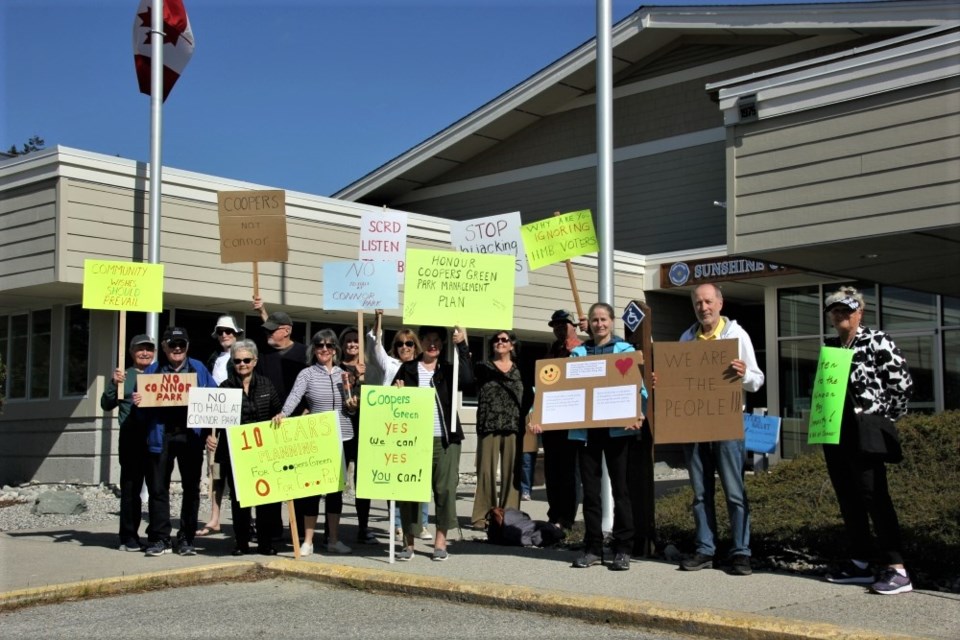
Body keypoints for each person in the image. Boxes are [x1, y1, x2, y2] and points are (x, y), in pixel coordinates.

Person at [821, 286, 914, 595]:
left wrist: (881, 417)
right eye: (835, 311)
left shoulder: (877, 340)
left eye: (846, 310)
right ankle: (860, 561)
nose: (840, 315)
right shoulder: (832, 347)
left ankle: (896, 567)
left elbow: (901, 383)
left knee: (874, 495)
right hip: (836, 429)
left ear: (859, 312)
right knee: (848, 496)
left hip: (866, 429)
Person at [549, 302, 644, 571]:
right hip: (586, 431)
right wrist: (539, 413)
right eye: (595, 320)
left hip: (617, 429)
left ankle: (623, 548)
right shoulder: (578, 354)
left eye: (603, 319)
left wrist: (639, 412)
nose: (599, 324)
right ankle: (592, 547)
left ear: (611, 321)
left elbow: (640, 388)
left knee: (621, 491)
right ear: (588, 324)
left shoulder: (625, 352)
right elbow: (562, 387)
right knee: (591, 493)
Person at [678, 283, 764, 577]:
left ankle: (741, 553)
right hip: (694, 423)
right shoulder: (686, 338)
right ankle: (705, 548)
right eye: (698, 302)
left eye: (708, 301)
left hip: (728, 422)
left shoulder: (737, 335)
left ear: (720, 303)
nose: (703, 307)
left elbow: (757, 380)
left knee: (734, 492)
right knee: (700, 493)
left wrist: (743, 375)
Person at [393, 325, 473, 562]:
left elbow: (468, 380)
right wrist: (398, 394)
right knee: (411, 491)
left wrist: (462, 344)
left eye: (437, 340)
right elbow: (393, 403)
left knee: (445, 490)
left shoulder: (449, 369)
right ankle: (408, 542)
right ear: (420, 342)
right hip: (414, 439)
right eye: (428, 339)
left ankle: (440, 541)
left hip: (445, 439)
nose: (432, 344)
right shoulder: (407, 369)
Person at [274, 329, 357, 556]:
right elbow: (294, 396)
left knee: (335, 492)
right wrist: (283, 413)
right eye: (320, 345)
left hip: (343, 436)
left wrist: (353, 405)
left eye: (329, 345)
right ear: (314, 349)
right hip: (317, 438)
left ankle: (333, 539)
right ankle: (308, 540)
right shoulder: (307, 374)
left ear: (335, 350)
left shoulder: (345, 374)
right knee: (312, 490)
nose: (324, 349)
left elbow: (351, 405)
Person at [140, 327, 218, 557]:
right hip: (161, 436)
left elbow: (213, 401)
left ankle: (186, 538)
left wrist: (210, 434)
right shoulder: (153, 371)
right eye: (172, 344)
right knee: (157, 488)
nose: (177, 349)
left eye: (181, 344)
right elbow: (141, 411)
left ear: (187, 347)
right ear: (164, 347)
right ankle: (160, 538)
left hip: (190, 436)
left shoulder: (199, 368)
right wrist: (139, 400)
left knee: (191, 489)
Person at [208, 339, 283, 556]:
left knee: (265, 498)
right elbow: (214, 422)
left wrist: (280, 416)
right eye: (238, 360)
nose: (242, 364)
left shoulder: (267, 385)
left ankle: (265, 542)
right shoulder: (225, 388)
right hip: (235, 452)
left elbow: (278, 411)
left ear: (255, 361)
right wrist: (210, 437)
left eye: (246, 360)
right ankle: (241, 543)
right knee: (240, 499)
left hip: (262, 452)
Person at [365, 309, 431, 539]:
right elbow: (374, 345)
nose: (405, 347)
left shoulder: (425, 368)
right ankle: (398, 523)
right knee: (395, 477)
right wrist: (378, 319)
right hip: (393, 428)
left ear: (416, 346)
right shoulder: (390, 364)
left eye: (410, 343)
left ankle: (421, 523)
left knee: (420, 476)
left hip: (418, 427)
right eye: (401, 343)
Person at [253, 306, 307, 549]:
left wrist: (306, 411)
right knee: (272, 484)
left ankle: (303, 533)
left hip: (299, 425)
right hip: (270, 426)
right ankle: (272, 531)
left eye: (272, 331)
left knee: (300, 483)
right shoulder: (263, 355)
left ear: (286, 331)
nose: (267, 334)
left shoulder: (305, 354)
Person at [470, 330, 534, 529]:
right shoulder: (482, 367)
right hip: (488, 423)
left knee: (512, 473)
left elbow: (529, 396)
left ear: (512, 345)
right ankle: (483, 515)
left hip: (513, 426)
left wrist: (523, 415)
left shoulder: (521, 369)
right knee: (486, 472)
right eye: (496, 340)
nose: (500, 342)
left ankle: (510, 516)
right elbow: (466, 377)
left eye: (504, 340)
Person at [100, 334, 155, 552]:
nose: (144, 353)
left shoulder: (159, 374)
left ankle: (156, 535)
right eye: (140, 349)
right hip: (131, 438)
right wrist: (115, 384)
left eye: (148, 349)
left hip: (156, 438)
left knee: (157, 488)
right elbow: (106, 403)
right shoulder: (124, 376)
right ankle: (128, 536)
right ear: (131, 352)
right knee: (131, 489)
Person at [197, 315, 243, 537]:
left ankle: (244, 520)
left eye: (229, 331)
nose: (225, 335)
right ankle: (214, 518)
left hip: (240, 422)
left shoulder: (244, 356)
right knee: (216, 472)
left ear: (236, 333)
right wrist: (208, 430)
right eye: (221, 331)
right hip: (217, 425)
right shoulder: (212, 360)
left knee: (242, 474)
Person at [541, 309, 583, 530]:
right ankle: (554, 513)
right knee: (553, 470)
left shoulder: (582, 349)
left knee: (569, 472)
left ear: (573, 325)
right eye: (555, 325)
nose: (559, 328)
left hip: (572, 421)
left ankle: (567, 517)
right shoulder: (552, 351)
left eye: (563, 324)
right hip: (551, 420)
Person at [338, 325, 375, 545]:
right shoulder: (336, 368)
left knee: (363, 481)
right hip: (342, 427)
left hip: (364, 428)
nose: (352, 344)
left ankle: (363, 526)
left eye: (356, 341)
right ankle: (333, 529)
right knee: (337, 481)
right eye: (348, 341)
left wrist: (363, 378)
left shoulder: (370, 369)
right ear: (342, 346)